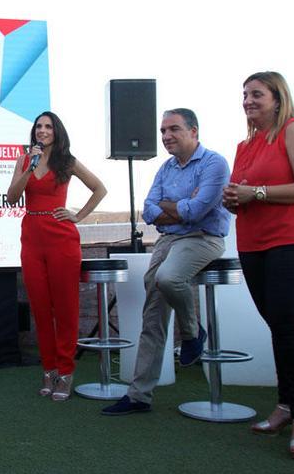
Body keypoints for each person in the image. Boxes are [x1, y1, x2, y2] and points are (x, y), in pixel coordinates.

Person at [102, 108, 230, 416]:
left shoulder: (215, 163)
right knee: (152, 318)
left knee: (169, 278)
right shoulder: (166, 168)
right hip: (168, 239)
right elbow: (148, 210)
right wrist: (177, 208)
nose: (166, 136)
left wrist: (169, 207)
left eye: (173, 129)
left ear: (194, 131)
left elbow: (197, 212)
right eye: (163, 131)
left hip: (203, 238)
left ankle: (191, 333)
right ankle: (138, 396)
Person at [223, 71, 294, 460]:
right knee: (278, 326)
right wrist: (234, 198)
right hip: (253, 243)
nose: (248, 100)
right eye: (244, 94)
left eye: (256, 94)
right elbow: (241, 191)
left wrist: (256, 192)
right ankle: (286, 404)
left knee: (286, 323)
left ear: (278, 98)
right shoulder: (244, 145)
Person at [6, 111, 106, 401]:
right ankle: (48, 368)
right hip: (32, 236)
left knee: (65, 307)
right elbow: (12, 197)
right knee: (40, 306)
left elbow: (100, 188)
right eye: (39, 126)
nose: (42, 130)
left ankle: (65, 372)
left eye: (48, 126)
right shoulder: (25, 160)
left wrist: (78, 216)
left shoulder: (68, 161)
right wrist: (29, 167)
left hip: (61, 237)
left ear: (57, 131)